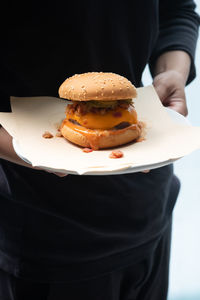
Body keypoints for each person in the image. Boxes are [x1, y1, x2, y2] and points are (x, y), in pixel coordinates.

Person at [0, 1, 199, 299]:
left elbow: (176, 10)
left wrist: (172, 75)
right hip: (46, 241)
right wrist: (24, 148)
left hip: (151, 205)